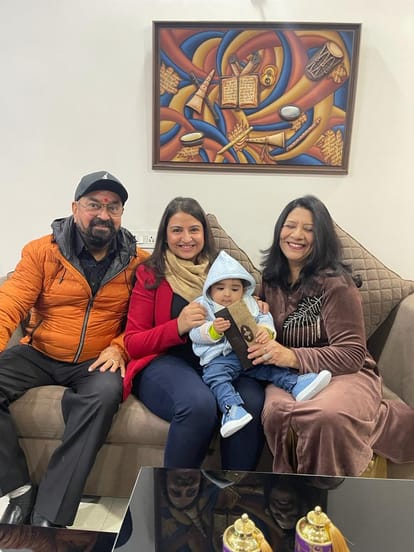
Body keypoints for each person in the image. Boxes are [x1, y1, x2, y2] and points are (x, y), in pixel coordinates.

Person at [0, 171, 149, 528]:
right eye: (94, 205)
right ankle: (18, 488)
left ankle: (49, 515)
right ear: (75, 207)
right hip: (39, 351)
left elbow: (142, 319)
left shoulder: (138, 262)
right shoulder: (42, 252)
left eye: (113, 207)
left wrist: (119, 347)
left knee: (105, 396)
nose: (103, 214)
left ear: (121, 213)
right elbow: (10, 302)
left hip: (96, 359)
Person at [247, 194, 414, 476]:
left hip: (344, 372)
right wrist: (254, 305)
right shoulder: (270, 279)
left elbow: (351, 354)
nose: (297, 235)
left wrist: (291, 356)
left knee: (326, 416)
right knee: (278, 414)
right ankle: (291, 493)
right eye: (290, 226)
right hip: (288, 376)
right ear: (279, 231)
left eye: (309, 229)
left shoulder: (337, 284)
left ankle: (325, 495)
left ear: (322, 237)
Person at [124, 197, 265, 470]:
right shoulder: (150, 274)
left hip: (222, 360)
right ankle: (175, 493)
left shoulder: (223, 271)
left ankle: (234, 492)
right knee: (198, 404)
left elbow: (247, 302)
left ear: (205, 234)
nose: (186, 238)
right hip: (166, 362)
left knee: (251, 401)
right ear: (165, 234)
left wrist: (256, 307)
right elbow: (133, 343)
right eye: (177, 230)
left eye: (194, 230)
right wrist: (178, 325)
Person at [189, 250, 331, 438]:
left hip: (249, 353)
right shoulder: (203, 306)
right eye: (220, 288)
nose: (227, 294)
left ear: (243, 290)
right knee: (215, 378)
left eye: (234, 289)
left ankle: (296, 383)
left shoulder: (250, 303)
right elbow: (194, 333)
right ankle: (232, 409)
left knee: (269, 365)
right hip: (219, 358)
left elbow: (264, 318)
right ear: (210, 289)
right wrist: (212, 330)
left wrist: (266, 332)